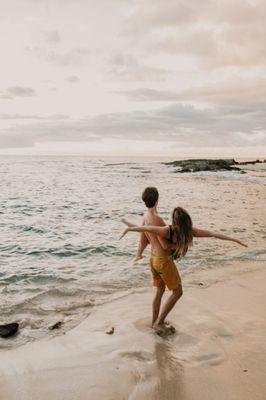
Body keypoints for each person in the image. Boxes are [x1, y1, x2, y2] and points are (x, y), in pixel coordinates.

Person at [120, 200, 247, 335]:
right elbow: (212, 233)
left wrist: (130, 228)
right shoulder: (185, 231)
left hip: (154, 260)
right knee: (177, 292)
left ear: (174, 221)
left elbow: (149, 229)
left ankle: (154, 322)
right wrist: (234, 240)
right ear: (187, 220)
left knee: (160, 291)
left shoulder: (170, 230)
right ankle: (159, 322)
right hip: (164, 262)